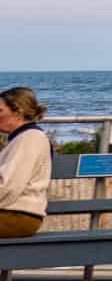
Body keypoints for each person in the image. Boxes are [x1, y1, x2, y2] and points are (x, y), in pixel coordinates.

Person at [0, 87, 51, 240]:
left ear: (18, 112)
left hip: (18, 216)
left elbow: (8, 187)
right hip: (13, 214)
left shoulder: (30, 138)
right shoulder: (22, 138)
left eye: (0, 111)